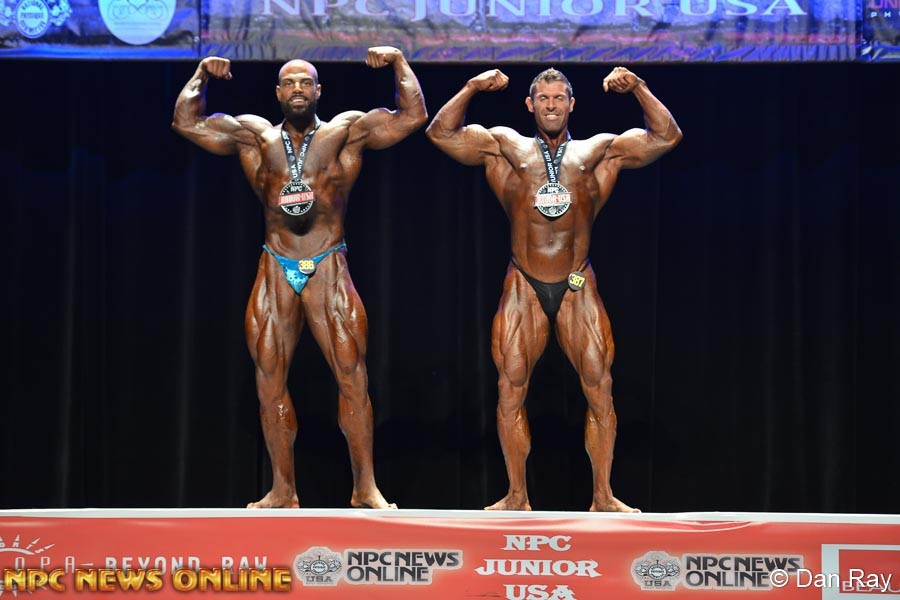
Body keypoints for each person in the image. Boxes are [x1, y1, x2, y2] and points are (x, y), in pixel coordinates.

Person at [172, 47, 426, 509]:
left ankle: (365, 487)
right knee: (269, 379)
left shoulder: (344, 132)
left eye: (305, 83)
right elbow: (187, 123)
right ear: (277, 92)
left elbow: (412, 116)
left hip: (328, 262)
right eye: (289, 83)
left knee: (352, 376)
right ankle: (283, 489)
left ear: (318, 91)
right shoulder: (255, 136)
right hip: (276, 263)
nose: (297, 90)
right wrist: (201, 74)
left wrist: (398, 62)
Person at [426, 66, 681, 512]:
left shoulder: (596, 151)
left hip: (577, 282)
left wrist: (638, 88)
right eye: (543, 98)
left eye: (559, 98)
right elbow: (441, 133)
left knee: (599, 386)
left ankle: (603, 497)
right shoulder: (506, 148)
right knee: (510, 388)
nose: (550, 105)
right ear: (529, 105)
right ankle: (516, 496)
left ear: (571, 104)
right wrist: (472, 87)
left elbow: (666, 136)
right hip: (523, 282)